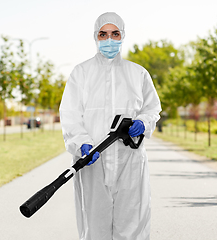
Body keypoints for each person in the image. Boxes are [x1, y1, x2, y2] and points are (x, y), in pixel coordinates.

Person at [59, 12, 161, 240]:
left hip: (130, 162)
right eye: (103, 34)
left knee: (132, 222)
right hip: (93, 160)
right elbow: (70, 115)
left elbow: (152, 108)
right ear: (95, 37)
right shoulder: (81, 73)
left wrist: (142, 123)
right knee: (94, 225)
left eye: (115, 34)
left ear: (123, 36)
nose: (109, 40)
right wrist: (82, 144)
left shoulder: (138, 74)